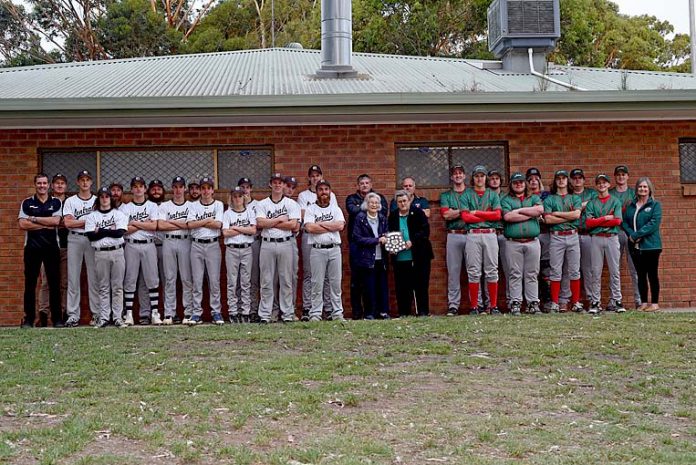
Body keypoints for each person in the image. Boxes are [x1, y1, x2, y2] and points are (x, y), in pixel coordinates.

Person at [18, 173, 64, 328]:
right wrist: (46, 224)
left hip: (51, 248)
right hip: (31, 248)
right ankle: (29, 319)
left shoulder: (56, 202)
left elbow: (56, 221)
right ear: (35, 184)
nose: (42, 186)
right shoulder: (27, 203)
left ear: (49, 185)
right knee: (30, 285)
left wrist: (34, 219)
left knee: (54, 284)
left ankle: (57, 319)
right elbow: (23, 225)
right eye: (39, 183)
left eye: (44, 183)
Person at [256, 173, 301, 324]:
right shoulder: (262, 204)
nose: (277, 185)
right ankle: (265, 314)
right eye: (274, 182)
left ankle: (287, 313)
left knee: (286, 280)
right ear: (270, 184)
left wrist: (271, 222)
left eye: (280, 183)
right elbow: (260, 223)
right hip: (267, 243)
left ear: (283, 185)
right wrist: (280, 219)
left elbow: (293, 225)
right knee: (266, 280)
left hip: (285, 243)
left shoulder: (291, 204)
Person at [460, 165, 503, 315]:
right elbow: (465, 217)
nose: (479, 178)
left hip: (490, 234)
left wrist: (477, 213)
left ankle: (493, 306)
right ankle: (474, 306)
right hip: (473, 234)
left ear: (486, 178)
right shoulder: (466, 194)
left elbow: (497, 215)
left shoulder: (492, 194)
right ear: (473, 178)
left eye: (482, 176)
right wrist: (487, 215)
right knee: (473, 271)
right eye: (477, 176)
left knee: (492, 270)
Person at [120, 176, 161, 326]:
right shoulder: (125, 207)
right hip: (131, 244)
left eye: (141, 186)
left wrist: (134, 223)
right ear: (131, 189)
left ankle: (154, 313)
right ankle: (129, 314)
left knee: (152, 279)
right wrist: (144, 224)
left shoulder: (152, 206)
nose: (138, 189)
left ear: (145, 189)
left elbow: (154, 226)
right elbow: (124, 229)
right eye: (135, 186)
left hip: (149, 244)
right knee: (130, 279)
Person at [84, 186, 128, 328]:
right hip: (100, 252)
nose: (104, 199)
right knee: (103, 287)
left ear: (111, 198)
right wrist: (110, 230)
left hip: (117, 251)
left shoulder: (119, 214)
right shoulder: (92, 216)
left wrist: (101, 230)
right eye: (102, 196)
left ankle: (117, 317)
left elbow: (119, 233)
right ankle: (104, 317)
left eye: (107, 196)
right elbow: (91, 236)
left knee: (117, 287)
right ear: (98, 199)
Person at [297, 165, 337, 321]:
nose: (315, 178)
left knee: (327, 275)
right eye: (312, 176)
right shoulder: (303, 196)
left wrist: (316, 221)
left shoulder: (330, 195)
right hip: (309, 236)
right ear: (309, 178)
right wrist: (319, 221)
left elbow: (334, 216)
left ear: (321, 176)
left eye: (317, 175)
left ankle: (327, 308)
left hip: (327, 236)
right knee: (309, 273)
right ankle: (308, 308)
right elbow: (303, 216)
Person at [346, 174, 388, 319]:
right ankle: (363, 313)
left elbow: (386, 230)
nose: (374, 205)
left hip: (380, 255)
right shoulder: (355, 208)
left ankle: (381, 312)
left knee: (380, 284)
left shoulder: (382, 218)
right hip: (361, 253)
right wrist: (377, 240)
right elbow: (357, 236)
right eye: (361, 183)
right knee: (362, 284)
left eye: (377, 203)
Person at [501, 173, 543, 315]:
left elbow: (539, 210)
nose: (518, 184)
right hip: (513, 242)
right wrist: (530, 213)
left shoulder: (534, 197)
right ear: (511, 185)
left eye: (521, 182)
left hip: (532, 241)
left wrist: (518, 211)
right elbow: (508, 216)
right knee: (515, 273)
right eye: (515, 183)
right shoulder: (506, 199)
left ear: (525, 184)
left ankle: (532, 303)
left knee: (532, 273)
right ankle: (515, 303)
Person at [304, 180, 346, 321]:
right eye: (320, 189)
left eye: (326, 189)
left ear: (330, 191)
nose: (323, 192)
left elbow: (340, 226)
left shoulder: (335, 209)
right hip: (317, 250)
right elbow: (310, 228)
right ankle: (315, 314)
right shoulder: (311, 209)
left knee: (335, 283)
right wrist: (330, 225)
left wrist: (320, 224)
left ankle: (337, 313)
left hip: (334, 249)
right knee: (316, 282)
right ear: (316, 192)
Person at [542, 170, 583, 313]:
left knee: (574, 270)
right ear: (555, 181)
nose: (561, 181)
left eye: (564, 178)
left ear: (567, 181)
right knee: (555, 270)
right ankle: (555, 302)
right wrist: (568, 217)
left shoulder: (574, 198)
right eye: (558, 178)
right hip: (556, 236)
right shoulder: (549, 199)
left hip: (572, 235)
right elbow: (547, 219)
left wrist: (557, 214)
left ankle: (576, 302)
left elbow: (577, 215)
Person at [62, 170, 100, 326]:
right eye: (82, 180)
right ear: (77, 182)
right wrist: (89, 221)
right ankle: (73, 315)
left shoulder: (98, 200)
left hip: (92, 240)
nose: (85, 183)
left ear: (91, 182)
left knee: (94, 277)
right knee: (73, 277)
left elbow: (101, 222)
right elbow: (68, 223)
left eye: (87, 180)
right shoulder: (71, 201)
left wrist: (79, 221)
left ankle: (97, 314)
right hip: (75, 239)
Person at [185, 176, 224, 325]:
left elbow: (218, 224)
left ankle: (216, 312)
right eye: (203, 188)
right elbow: (190, 225)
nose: (206, 191)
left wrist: (199, 223)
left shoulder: (218, 204)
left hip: (213, 244)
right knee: (197, 280)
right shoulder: (194, 205)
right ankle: (196, 313)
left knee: (214, 281)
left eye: (208, 188)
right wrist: (208, 221)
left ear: (212, 190)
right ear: (200, 190)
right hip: (196, 245)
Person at [388, 190, 433, 317]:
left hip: (419, 255)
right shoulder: (393, 216)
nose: (403, 204)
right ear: (396, 203)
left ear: (409, 201)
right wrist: (392, 246)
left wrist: (412, 241)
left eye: (405, 201)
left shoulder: (418, 213)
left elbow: (425, 231)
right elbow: (391, 232)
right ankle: (404, 312)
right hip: (401, 257)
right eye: (400, 202)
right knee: (402, 286)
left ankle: (423, 311)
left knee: (421, 284)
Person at [585, 174, 625, 314]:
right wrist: (605, 218)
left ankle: (617, 300)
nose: (602, 185)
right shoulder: (592, 203)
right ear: (596, 186)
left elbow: (618, 221)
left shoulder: (615, 201)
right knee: (595, 271)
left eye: (604, 183)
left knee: (615, 270)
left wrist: (598, 221)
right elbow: (588, 223)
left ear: (609, 184)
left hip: (612, 237)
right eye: (599, 183)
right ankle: (595, 302)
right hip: (596, 238)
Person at [156, 176, 193, 325]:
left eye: (180, 187)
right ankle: (169, 313)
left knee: (186, 278)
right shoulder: (164, 206)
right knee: (169, 278)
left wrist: (170, 222)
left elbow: (190, 225)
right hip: (169, 241)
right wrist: (181, 224)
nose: (178, 190)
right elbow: (160, 226)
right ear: (172, 188)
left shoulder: (191, 206)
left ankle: (188, 312)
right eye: (175, 187)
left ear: (185, 188)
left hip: (186, 241)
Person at [623, 177, 662, 312]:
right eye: (640, 187)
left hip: (651, 246)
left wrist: (636, 235)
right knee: (640, 275)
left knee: (652, 274)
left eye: (645, 187)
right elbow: (625, 222)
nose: (642, 189)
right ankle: (644, 302)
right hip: (635, 246)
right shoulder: (631, 205)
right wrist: (631, 236)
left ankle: (655, 303)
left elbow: (653, 224)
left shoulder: (655, 205)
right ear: (637, 189)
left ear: (649, 189)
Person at [37, 173, 68, 326]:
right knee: (45, 283)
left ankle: (63, 313)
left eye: (62, 183)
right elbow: (45, 221)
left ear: (66, 186)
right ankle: (43, 314)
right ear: (51, 186)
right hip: (47, 246)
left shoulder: (70, 203)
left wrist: (55, 222)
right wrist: (51, 222)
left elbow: (68, 223)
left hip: (66, 246)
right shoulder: (46, 202)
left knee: (64, 282)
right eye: (57, 183)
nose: (59, 185)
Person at [222, 186, 257, 323]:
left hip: (246, 249)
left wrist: (235, 228)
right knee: (232, 281)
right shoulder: (227, 213)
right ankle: (233, 312)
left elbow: (253, 230)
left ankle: (245, 312)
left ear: (244, 197)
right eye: (235, 196)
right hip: (231, 249)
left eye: (240, 196)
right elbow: (225, 233)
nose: (237, 199)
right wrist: (244, 230)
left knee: (245, 282)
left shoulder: (249, 212)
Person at [610, 165, 641, 309]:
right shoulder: (609, 194)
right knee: (614, 268)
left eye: (623, 174)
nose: (621, 177)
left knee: (634, 268)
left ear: (628, 176)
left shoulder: (634, 194)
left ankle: (639, 300)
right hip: (614, 232)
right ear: (615, 177)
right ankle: (615, 300)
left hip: (630, 234)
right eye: (618, 174)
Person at [439, 165, 469, 316]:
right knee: (453, 271)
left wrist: (455, 212)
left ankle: (477, 305)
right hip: (453, 234)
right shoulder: (446, 195)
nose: (457, 176)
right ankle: (453, 305)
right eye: (455, 174)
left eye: (460, 173)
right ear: (451, 177)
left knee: (474, 272)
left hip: (471, 234)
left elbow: (476, 213)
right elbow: (446, 215)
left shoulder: (471, 193)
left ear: (464, 176)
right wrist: (465, 211)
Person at [135, 179, 166, 323]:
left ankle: (167, 312)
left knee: (167, 281)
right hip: (149, 245)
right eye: (153, 189)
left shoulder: (167, 206)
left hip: (165, 246)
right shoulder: (147, 206)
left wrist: (148, 225)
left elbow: (156, 226)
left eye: (159, 189)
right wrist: (145, 224)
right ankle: (145, 313)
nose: (156, 191)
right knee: (143, 281)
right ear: (148, 191)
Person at [570, 168, 597, 311]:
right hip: (571, 233)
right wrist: (582, 206)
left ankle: (591, 300)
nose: (577, 180)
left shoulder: (591, 193)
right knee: (570, 269)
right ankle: (571, 301)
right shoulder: (567, 193)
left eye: (580, 177)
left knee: (588, 269)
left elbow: (595, 206)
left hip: (588, 234)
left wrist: (574, 209)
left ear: (584, 180)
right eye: (574, 178)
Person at [238, 177, 261, 321]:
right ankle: (241, 309)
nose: (245, 190)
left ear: (251, 188)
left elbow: (259, 225)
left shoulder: (258, 205)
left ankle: (253, 309)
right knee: (239, 279)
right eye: (242, 187)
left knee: (253, 278)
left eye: (247, 187)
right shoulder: (235, 204)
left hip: (254, 242)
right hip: (238, 243)